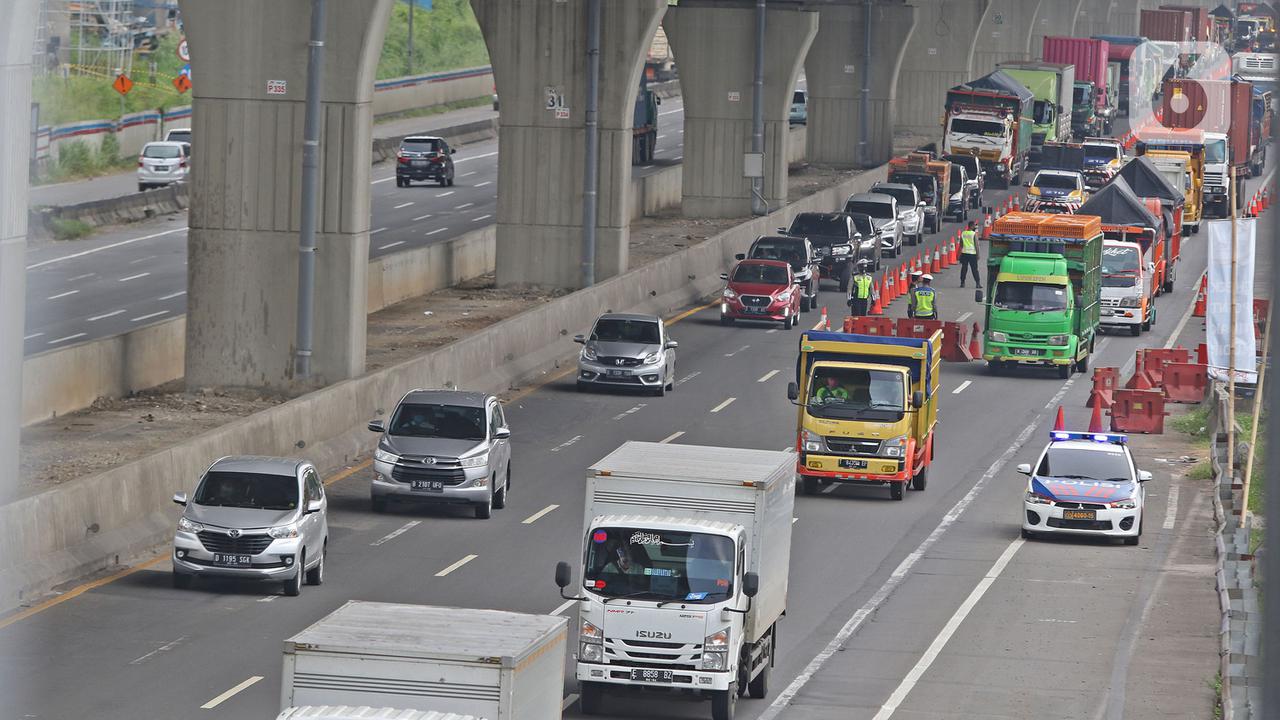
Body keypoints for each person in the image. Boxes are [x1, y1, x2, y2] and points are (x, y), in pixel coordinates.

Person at [959, 220, 982, 289]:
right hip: (972, 254)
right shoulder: (973, 234)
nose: (975, 227)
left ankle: (962, 283)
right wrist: (978, 255)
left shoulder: (963, 233)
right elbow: (976, 245)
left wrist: (960, 254)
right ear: (971, 226)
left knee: (964, 269)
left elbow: (961, 244)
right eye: (974, 225)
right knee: (974, 269)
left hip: (964, 253)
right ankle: (978, 283)